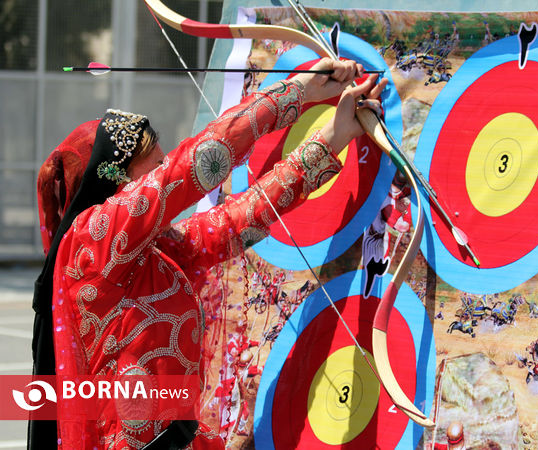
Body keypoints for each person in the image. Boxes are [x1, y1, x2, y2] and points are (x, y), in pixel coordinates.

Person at [31, 57, 387, 449]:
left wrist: (335, 135)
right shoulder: (92, 242)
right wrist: (297, 90)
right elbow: (195, 162)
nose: (163, 172)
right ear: (121, 179)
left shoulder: (157, 251)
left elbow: (238, 219)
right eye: (154, 168)